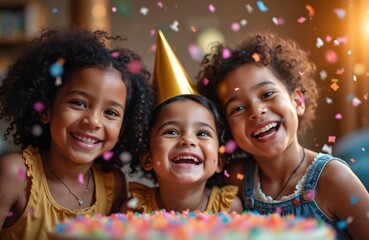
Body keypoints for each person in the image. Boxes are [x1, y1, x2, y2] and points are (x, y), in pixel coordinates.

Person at [195, 30, 369, 239]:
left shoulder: (333, 178)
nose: (256, 111)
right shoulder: (234, 180)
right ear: (227, 128)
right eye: (238, 108)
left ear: (298, 101)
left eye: (267, 94)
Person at [0, 28, 153, 239]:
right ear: (46, 109)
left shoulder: (114, 185)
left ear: (123, 128)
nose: (93, 121)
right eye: (78, 103)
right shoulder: (15, 176)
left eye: (110, 112)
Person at [123, 30, 243, 214]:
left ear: (219, 161)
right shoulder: (135, 209)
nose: (188, 140)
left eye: (202, 133)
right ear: (147, 157)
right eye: (171, 132)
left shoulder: (228, 208)